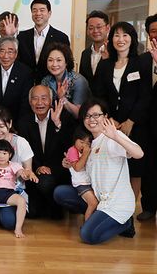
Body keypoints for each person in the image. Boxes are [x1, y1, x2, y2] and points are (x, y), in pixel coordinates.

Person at [55, 99, 143, 244]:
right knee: (61, 193)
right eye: (88, 116)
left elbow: (139, 154)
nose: (92, 120)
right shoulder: (89, 143)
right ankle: (98, 217)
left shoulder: (112, 137)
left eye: (96, 115)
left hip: (116, 203)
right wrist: (70, 164)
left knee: (87, 235)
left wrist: (116, 136)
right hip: (99, 198)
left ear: (105, 117)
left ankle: (125, 223)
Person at [93, 22, 148, 199]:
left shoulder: (140, 64)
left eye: (125, 35)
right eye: (117, 35)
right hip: (110, 125)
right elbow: (99, 95)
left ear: (132, 39)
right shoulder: (105, 65)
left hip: (136, 124)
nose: (121, 39)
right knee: (112, 165)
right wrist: (111, 120)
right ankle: (111, 207)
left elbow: (145, 96)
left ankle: (128, 211)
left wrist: (131, 121)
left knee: (135, 169)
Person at [16, 85, 75, 219]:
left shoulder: (63, 117)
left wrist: (58, 124)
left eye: (44, 98)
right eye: (35, 99)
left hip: (58, 170)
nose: (39, 103)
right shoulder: (24, 122)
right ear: (30, 102)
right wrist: (37, 168)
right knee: (32, 213)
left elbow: (69, 148)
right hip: (34, 171)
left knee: (46, 184)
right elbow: (24, 150)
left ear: (51, 99)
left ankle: (56, 207)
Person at [17, 0, 70, 82]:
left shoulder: (61, 37)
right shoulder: (22, 37)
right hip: (25, 83)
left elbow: (67, 64)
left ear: (49, 13)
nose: (38, 13)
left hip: (51, 84)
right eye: (34, 10)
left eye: (42, 10)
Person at [137, 13, 157, 221]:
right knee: (149, 166)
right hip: (146, 122)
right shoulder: (142, 60)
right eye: (153, 31)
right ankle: (149, 207)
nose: (156, 35)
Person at [41, 43, 91, 118]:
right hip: (54, 120)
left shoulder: (78, 81)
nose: (54, 64)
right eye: (50, 60)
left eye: (59, 60)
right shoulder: (45, 81)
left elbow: (80, 115)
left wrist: (62, 98)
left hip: (76, 124)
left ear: (66, 62)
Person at [65, 127, 98, 221]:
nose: (84, 145)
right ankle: (87, 225)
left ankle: (92, 223)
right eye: (81, 142)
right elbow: (77, 168)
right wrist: (85, 154)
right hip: (81, 183)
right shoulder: (72, 150)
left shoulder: (88, 150)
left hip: (90, 182)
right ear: (75, 140)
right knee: (93, 203)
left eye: (88, 143)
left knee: (97, 204)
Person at [79, 11, 110, 91]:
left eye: (99, 27)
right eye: (91, 28)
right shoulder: (85, 53)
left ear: (107, 28)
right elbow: (82, 82)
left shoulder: (113, 51)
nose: (95, 31)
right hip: (90, 101)